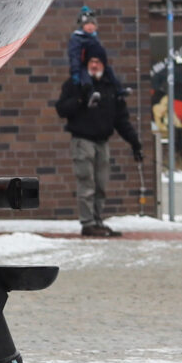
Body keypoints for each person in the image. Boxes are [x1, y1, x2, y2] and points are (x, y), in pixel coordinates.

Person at [53, 51, 142, 238]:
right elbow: (61, 109)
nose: (94, 65)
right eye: (91, 62)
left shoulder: (111, 88)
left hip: (103, 143)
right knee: (87, 183)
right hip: (82, 141)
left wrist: (135, 143)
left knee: (101, 184)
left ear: (104, 65)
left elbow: (121, 120)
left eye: (98, 62)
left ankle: (97, 220)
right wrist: (80, 99)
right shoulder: (75, 84)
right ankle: (88, 223)